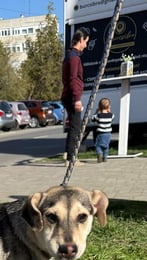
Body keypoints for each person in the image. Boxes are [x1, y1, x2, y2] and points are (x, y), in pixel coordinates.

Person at [61, 27, 90, 166]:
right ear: (81, 40)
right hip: (72, 96)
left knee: (73, 125)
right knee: (75, 127)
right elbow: (73, 79)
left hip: (68, 94)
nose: (86, 45)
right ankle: (71, 158)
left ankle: (68, 153)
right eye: (86, 41)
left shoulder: (69, 56)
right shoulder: (74, 58)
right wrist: (77, 98)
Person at [91, 98, 114, 162]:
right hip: (108, 133)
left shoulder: (98, 115)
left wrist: (96, 112)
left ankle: (99, 153)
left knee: (98, 145)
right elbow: (112, 118)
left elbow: (92, 119)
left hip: (100, 133)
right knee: (106, 146)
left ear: (99, 107)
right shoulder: (111, 115)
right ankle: (105, 157)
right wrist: (109, 111)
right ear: (108, 106)